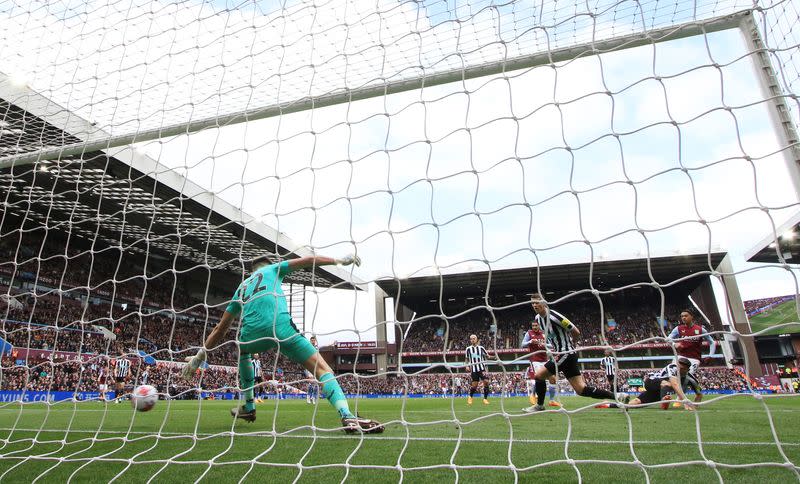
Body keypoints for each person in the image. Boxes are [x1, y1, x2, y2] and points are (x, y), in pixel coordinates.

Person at [182, 254, 383, 434]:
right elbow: (307, 260)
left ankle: (250, 406)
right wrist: (339, 260)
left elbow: (221, 329)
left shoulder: (242, 287)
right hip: (282, 328)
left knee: (242, 351)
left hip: (252, 335)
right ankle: (346, 414)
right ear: (269, 264)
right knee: (322, 369)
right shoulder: (274, 269)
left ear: (251, 271)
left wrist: (199, 357)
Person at [524, 294, 625, 413]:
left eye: (537, 302)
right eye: (533, 303)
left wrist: (571, 345)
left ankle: (539, 406)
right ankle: (618, 396)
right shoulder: (538, 319)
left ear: (544, 302)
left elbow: (576, 331)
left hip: (566, 353)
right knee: (580, 389)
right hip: (564, 355)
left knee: (538, 375)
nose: (535, 305)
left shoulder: (554, 316)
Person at [627, 358, 697, 411]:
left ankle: (619, 404)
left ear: (687, 370)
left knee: (635, 403)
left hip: (659, 390)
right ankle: (664, 400)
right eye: (678, 366)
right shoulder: (672, 367)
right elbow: (674, 384)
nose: (678, 369)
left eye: (681, 368)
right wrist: (685, 401)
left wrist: (695, 405)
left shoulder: (690, 379)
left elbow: (699, 393)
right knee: (668, 384)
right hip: (651, 382)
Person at [521, 320, 560, 407]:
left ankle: (551, 401)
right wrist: (530, 342)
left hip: (545, 359)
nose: (534, 327)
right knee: (540, 378)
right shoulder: (529, 333)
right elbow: (523, 344)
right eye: (533, 326)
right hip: (535, 360)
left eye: (536, 325)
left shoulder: (544, 333)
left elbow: (552, 345)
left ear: (539, 326)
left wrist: (543, 343)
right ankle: (532, 395)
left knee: (553, 379)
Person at [668, 309, 717, 376]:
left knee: (687, 376)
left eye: (686, 316)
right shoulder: (678, 329)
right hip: (680, 356)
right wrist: (674, 344)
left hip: (694, 359)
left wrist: (711, 355)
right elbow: (668, 339)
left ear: (692, 316)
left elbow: (712, 342)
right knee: (673, 375)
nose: (683, 318)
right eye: (682, 316)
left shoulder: (700, 330)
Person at [465, 334, 491, 405]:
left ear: (477, 339)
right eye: (471, 339)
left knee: (486, 381)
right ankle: (470, 397)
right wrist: (467, 366)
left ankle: (485, 399)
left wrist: (495, 357)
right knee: (474, 386)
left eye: (474, 338)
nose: (472, 340)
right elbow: (466, 359)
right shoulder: (468, 349)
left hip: (482, 368)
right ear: (470, 340)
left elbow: (488, 356)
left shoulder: (481, 348)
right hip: (474, 369)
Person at [305, 336, 319, 404]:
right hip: (310, 365)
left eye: (314, 340)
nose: (313, 341)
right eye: (312, 340)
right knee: (311, 383)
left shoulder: (317, 347)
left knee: (316, 384)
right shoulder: (308, 346)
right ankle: (308, 397)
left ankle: (313, 398)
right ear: (310, 341)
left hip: (315, 366)